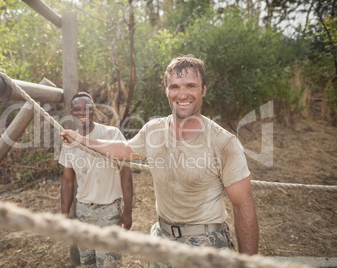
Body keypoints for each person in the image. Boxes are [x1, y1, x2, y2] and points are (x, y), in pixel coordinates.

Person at [60, 56, 259, 266]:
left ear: (203, 90)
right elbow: (124, 149)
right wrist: (81, 139)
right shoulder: (153, 131)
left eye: (191, 86)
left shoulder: (224, 143)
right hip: (162, 241)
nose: (182, 94)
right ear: (167, 91)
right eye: (175, 87)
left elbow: (243, 207)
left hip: (206, 245)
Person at [59, 92, 133, 268]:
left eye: (87, 109)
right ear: (71, 112)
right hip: (83, 211)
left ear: (94, 111)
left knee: (108, 263)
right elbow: (68, 181)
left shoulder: (111, 134)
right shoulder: (68, 141)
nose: (82, 113)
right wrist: (63, 215)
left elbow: (126, 173)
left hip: (109, 211)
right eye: (77, 109)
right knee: (87, 263)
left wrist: (128, 211)